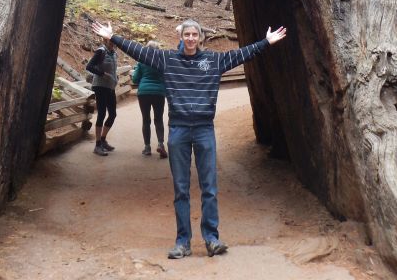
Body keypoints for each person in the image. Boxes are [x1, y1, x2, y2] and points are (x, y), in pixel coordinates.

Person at [91, 17, 287, 258]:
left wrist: (266, 42)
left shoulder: (214, 61)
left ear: (201, 37)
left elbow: (242, 54)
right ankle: (182, 242)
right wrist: (113, 38)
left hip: (204, 128)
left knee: (209, 188)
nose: (191, 39)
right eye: (187, 35)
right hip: (179, 130)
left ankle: (212, 239)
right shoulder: (167, 60)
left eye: (195, 35)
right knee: (181, 189)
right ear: (181, 37)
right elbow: (139, 51)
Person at [132, 41, 168, 158]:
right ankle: (161, 144)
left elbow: (135, 79)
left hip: (144, 92)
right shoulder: (162, 61)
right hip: (159, 93)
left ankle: (147, 148)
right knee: (158, 119)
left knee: (146, 120)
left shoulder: (142, 61)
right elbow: (166, 77)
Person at [86, 37, 118, 156]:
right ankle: (97, 145)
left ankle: (103, 140)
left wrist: (115, 78)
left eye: (114, 42)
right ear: (105, 41)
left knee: (113, 114)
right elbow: (89, 66)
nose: (112, 44)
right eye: (110, 41)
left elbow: (113, 70)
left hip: (110, 87)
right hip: (100, 87)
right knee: (102, 114)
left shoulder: (114, 53)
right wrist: (102, 74)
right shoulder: (101, 51)